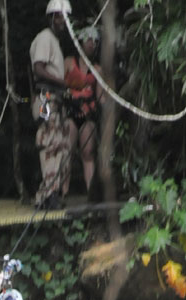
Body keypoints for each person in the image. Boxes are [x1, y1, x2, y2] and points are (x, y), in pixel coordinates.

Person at [29, 0, 78, 209]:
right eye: (59, 17)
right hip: (46, 98)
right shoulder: (44, 38)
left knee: (58, 144)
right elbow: (38, 69)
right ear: (51, 18)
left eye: (65, 18)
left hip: (55, 99)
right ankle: (46, 196)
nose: (63, 22)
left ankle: (51, 194)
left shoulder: (55, 42)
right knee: (49, 143)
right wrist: (64, 83)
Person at [64, 26, 103, 197]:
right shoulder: (68, 63)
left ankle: (91, 193)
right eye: (89, 40)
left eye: (95, 41)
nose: (92, 44)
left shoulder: (97, 69)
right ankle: (62, 192)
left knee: (88, 153)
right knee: (68, 151)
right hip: (71, 113)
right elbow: (59, 86)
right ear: (81, 42)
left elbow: (101, 96)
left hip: (88, 115)